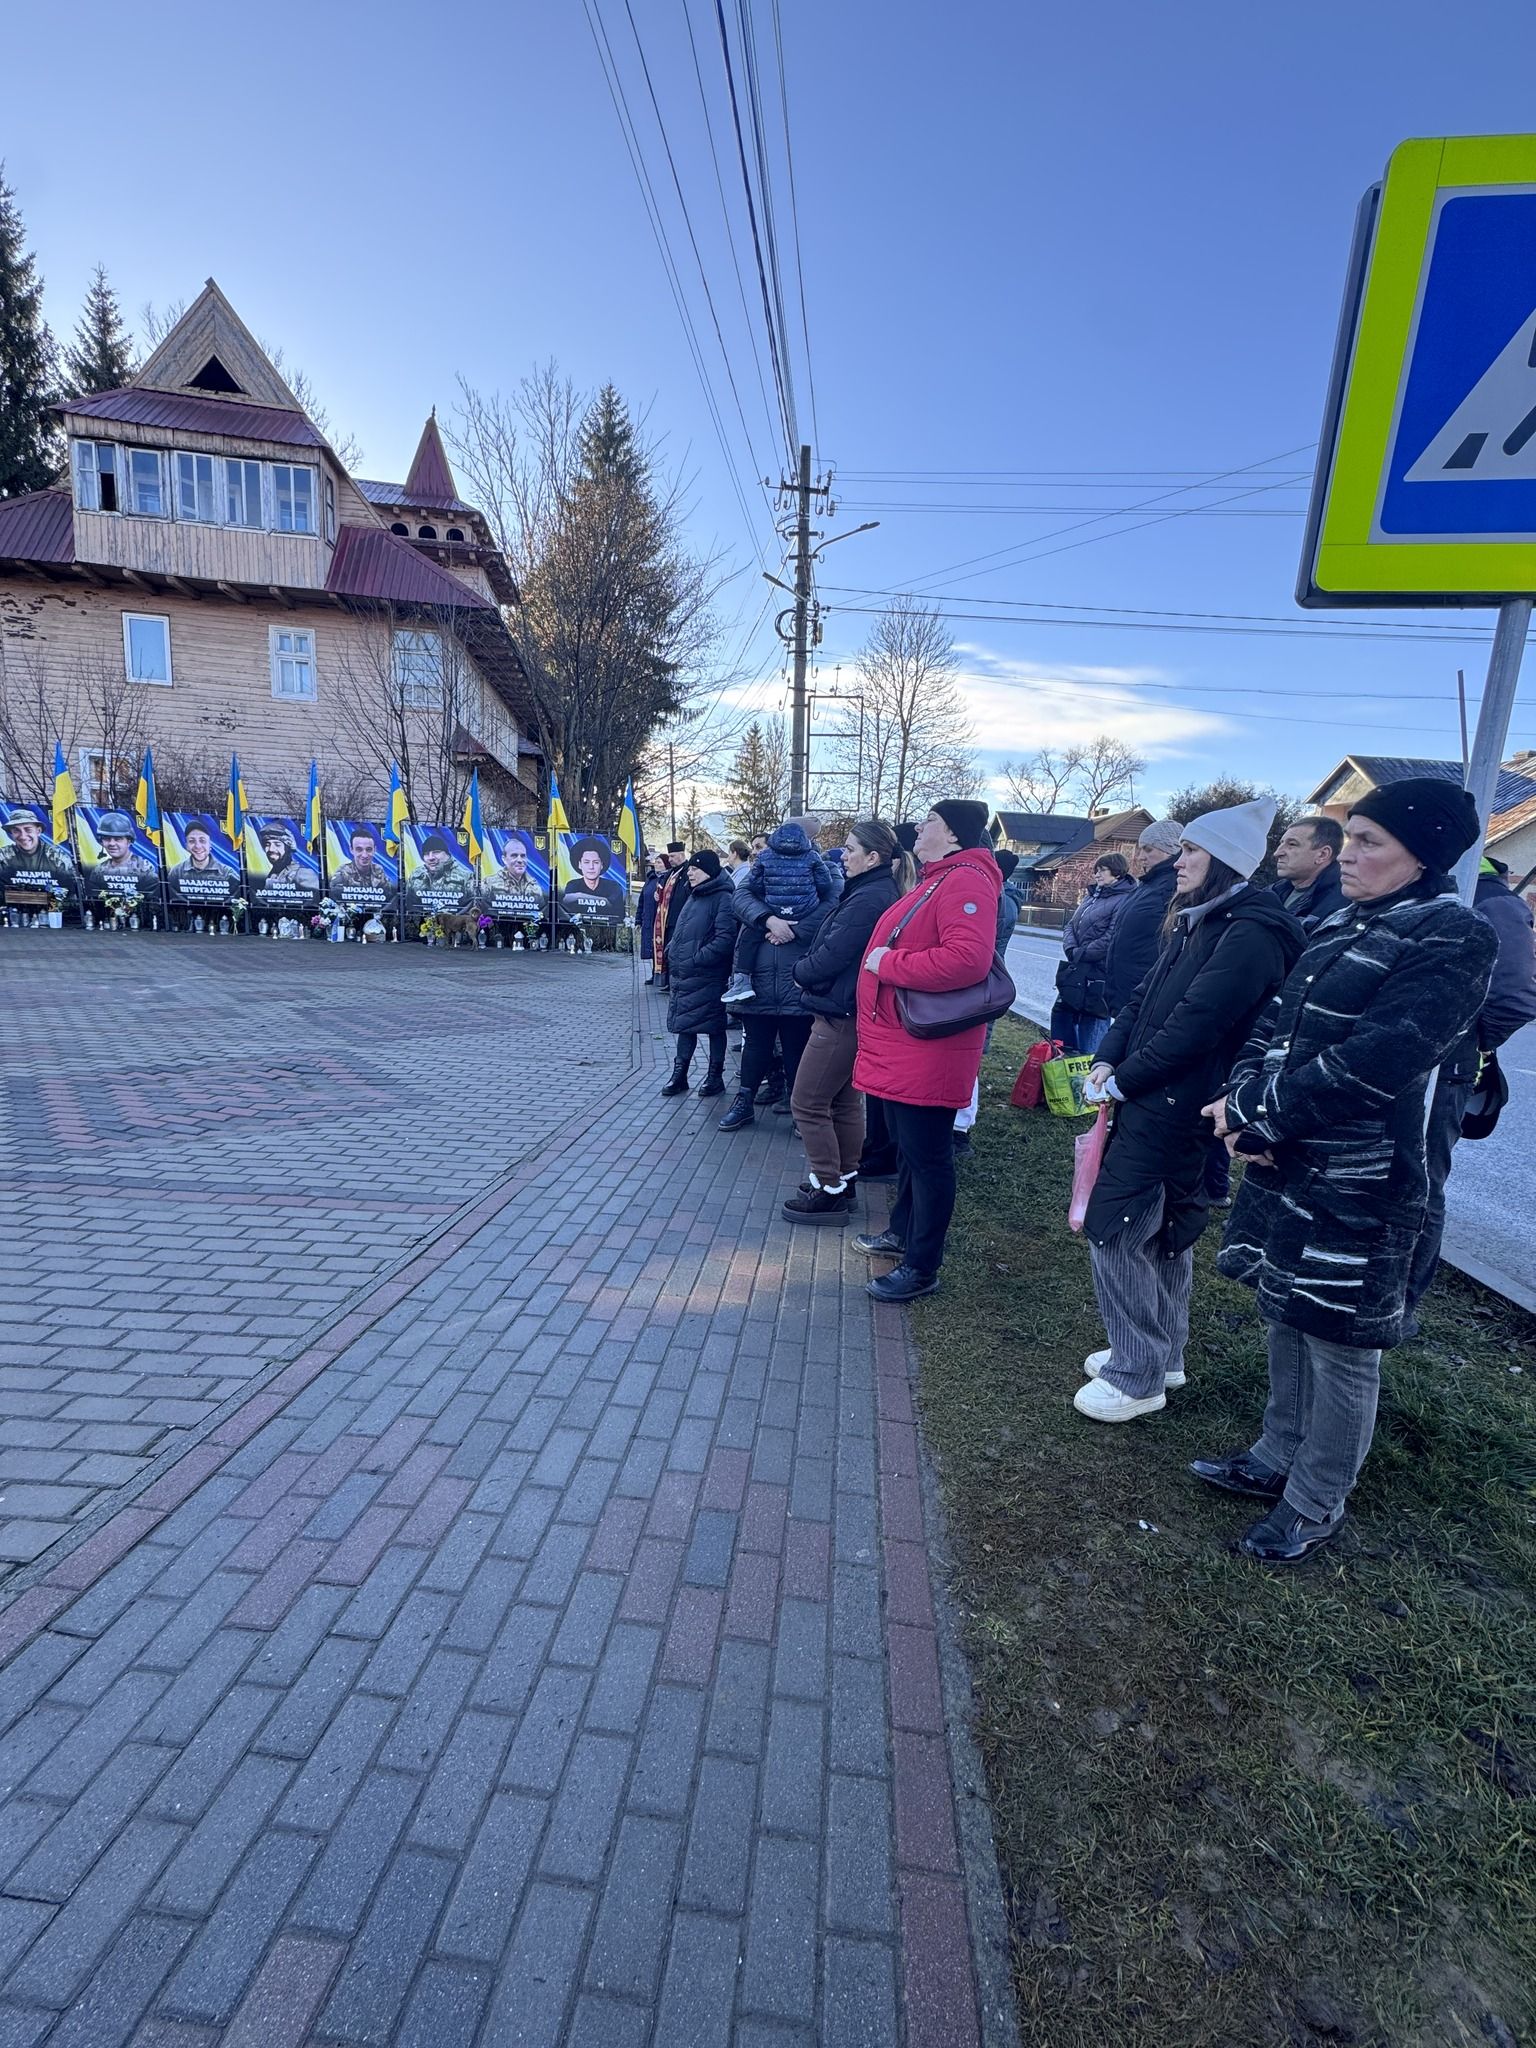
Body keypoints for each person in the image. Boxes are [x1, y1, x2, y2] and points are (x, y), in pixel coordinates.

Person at [1200, 778, 1497, 1564]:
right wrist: (1246, 1110)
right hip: (1291, 1161)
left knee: (1340, 1341)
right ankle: (1273, 1455)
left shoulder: (1451, 935)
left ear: (1422, 854)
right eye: (1351, 837)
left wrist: (1264, 1116)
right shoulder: (1343, 921)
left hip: (1366, 1178)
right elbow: (1273, 1024)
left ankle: (1315, 1499)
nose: (1350, 854)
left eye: (1370, 842)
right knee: (1286, 1311)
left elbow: (1380, 1060)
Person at [1072, 799, 1305, 1423]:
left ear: (1225, 861)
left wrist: (1125, 1081)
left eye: (1193, 851)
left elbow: (1198, 1025)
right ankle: (1161, 1354)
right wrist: (1107, 1059)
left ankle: (1137, 1373)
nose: (1179, 861)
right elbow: (1147, 999)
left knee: (1118, 1229)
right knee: (1166, 1230)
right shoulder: (1201, 919)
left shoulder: (1250, 931)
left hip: (1177, 1101)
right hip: (1160, 1095)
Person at [850, 799, 1001, 1302]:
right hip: (906, 1046)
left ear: (954, 834)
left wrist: (888, 963)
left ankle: (922, 1266)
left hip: (927, 1050)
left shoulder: (966, 881)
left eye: (930, 820)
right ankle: (902, 1234)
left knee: (929, 1158)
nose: (919, 826)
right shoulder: (941, 876)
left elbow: (967, 961)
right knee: (911, 1153)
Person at [1403, 853, 1536, 1327]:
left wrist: (1467, 1042)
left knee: (1421, 1180)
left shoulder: (1493, 902)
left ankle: (1404, 1301)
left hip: (1445, 1069)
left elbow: (1515, 996)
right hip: (1411, 1064)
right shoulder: (1437, 891)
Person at [781, 819, 903, 1221]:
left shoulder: (870, 898)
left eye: (850, 850)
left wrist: (800, 971)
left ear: (873, 857)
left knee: (808, 1102)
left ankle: (828, 1187)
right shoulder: (872, 890)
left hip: (839, 1015)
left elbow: (835, 954)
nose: (843, 856)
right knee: (844, 1101)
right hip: (850, 1011)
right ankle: (843, 1179)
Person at [715, 869, 834, 1134]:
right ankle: (744, 1101)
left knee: (797, 1048)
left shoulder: (821, 870)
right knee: (756, 1046)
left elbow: (833, 900)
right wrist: (769, 920)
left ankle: (799, 1110)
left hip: (797, 978)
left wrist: (796, 930)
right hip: (758, 981)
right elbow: (741, 897)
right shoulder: (765, 868)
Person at [952, 847, 1023, 1157]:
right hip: (981, 984)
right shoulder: (1000, 897)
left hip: (980, 986)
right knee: (970, 1058)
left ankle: (960, 1129)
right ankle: (959, 1124)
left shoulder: (997, 899)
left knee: (970, 1060)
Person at [722, 819, 838, 1006]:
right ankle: (743, 984)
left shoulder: (829, 867)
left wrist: (791, 929)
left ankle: (742, 980)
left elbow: (833, 905)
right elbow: (740, 897)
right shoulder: (818, 863)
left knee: (748, 938)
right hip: (764, 987)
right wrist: (769, 921)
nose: (754, 851)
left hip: (797, 987)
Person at [660, 850, 737, 1099]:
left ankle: (715, 1077)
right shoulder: (695, 896)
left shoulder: (723, 898)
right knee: (686, 1025)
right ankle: (680, 1075)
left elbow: (725, 939)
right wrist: (672, 951)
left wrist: (696, 960)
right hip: (685, 976)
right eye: (690, 868)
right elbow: (682, 931)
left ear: (710, 871)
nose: (690, 872)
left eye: (695, 868)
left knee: (714, 1027)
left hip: (708, 976)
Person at [1050, 853, 1135, 1052]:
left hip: (1099, 973)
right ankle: (1063, 1066)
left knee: (1093, 1022)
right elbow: (1071, 925)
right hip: (1078, 969)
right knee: (1063, 1015)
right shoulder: (1091, 896)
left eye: (1102, 870)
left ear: (1117, 872)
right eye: (1096, 870)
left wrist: (1084, 953)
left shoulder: (1124, 899)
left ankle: (1090, 1071)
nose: (1097, 875)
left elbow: (1112, 936)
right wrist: (1071, 949)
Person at [1102, 819, 1183, 1017]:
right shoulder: (1149, 884)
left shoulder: (1174, 887)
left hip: (1144, 993)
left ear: (1170, 849)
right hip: (1126, 988)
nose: (1139, 857)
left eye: (1148, 849)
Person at [1271, 814, 1346, 932]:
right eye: (1281, 843)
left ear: (1322, 855)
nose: (1278, 853)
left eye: (1292, 844)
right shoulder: (1274, 891)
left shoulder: (1341, 907)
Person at [85, 813, 157, 903]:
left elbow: (152, 901)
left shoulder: (145, 869)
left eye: (118, 839)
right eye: (107, 839)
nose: (111, 843)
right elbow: (95, 900)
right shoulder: (98, 871)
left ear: (129, 841)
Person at [1, 806, 75, 889]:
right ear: (11, 833)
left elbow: (69, 889)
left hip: (50, 901)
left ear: (38, 831)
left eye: (28, 830)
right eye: (16, 831)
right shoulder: (3, 856)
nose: (23, 836)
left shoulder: (58, 857)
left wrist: (50, 900)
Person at [650, 842, 691, 990]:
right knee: (668, 952)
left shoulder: (687, 871)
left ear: (681, 855)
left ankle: (675, 981)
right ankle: (667, 981)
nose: (671, 859)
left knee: (676, 952)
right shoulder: (671, 873)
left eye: (673, 856)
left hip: (678, 918)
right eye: (669, 856)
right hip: (666, 919)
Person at [483, 833, 549, 921]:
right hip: (499, 924)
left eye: (523, 856)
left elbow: (540, 911)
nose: (520, 860)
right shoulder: (488, 883)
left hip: (528, 924)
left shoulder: (535, 886)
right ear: (504, 859)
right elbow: (484, 909)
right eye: (514, 855)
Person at [166, 817, 230, 907]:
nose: (198, 846)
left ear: (210, 845)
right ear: (186, 846)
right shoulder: (176, 872)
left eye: (202, 840)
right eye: (192, 841)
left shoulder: (227, 872)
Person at [561, 835, 626, 920]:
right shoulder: (573, 884)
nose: (591, 867)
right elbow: (566, 900)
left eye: (595, 862)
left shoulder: (614, 886)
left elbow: (611, 904)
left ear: (602, 865)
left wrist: (579, 896)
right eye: (586, 862)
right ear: (580, 865)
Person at [330, 826, 392, 902]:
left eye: (369, 849)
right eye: (359, 849)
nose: (364, 855)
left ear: (374, 850)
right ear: (351, 850)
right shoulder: (342, 872)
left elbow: (388, 897)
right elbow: (335, 900)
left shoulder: (378, 870)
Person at [638, 852, 669, 983]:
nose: (657, 864)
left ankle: (662, 975)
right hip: (648, 918)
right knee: (651, 947)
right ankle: (654, 973)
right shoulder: (650, 879)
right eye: (656, 862)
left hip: (660, 919)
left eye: (660, 862)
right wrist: (638, 919)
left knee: (660, 946)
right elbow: (641, 900)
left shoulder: (667, 879)